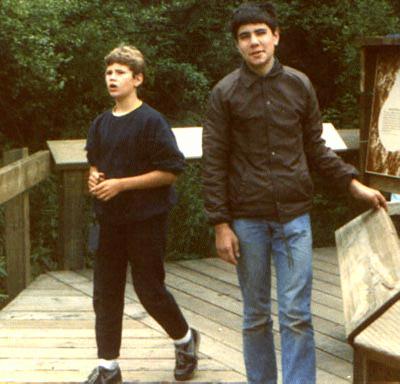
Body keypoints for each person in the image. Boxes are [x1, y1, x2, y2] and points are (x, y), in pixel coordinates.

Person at [202, 3, 387, 384]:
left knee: (297, 314)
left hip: (295, 219)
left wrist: (355, 186)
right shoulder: (224, 93)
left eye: (260, 33)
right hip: (247, 221)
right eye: (244, 36)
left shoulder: (299, 85)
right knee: (256, 315)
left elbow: (316, 149)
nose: (254, 42)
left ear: (276, 36)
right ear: (237, 45)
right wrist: (221, 223)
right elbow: (214, 162)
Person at [84, 45, 200, 384]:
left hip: (146, 219)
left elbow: (172, 171)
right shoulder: (101, 123)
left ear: (137, 79)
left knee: (149, 289)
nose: (112, 78)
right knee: (105, 293)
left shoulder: (151, 121)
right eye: (109, 73)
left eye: (120, 73)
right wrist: (94, 175)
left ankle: (185, 340)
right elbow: (95, 160)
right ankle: (108, 368)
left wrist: (122, 185)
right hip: (108, 221)